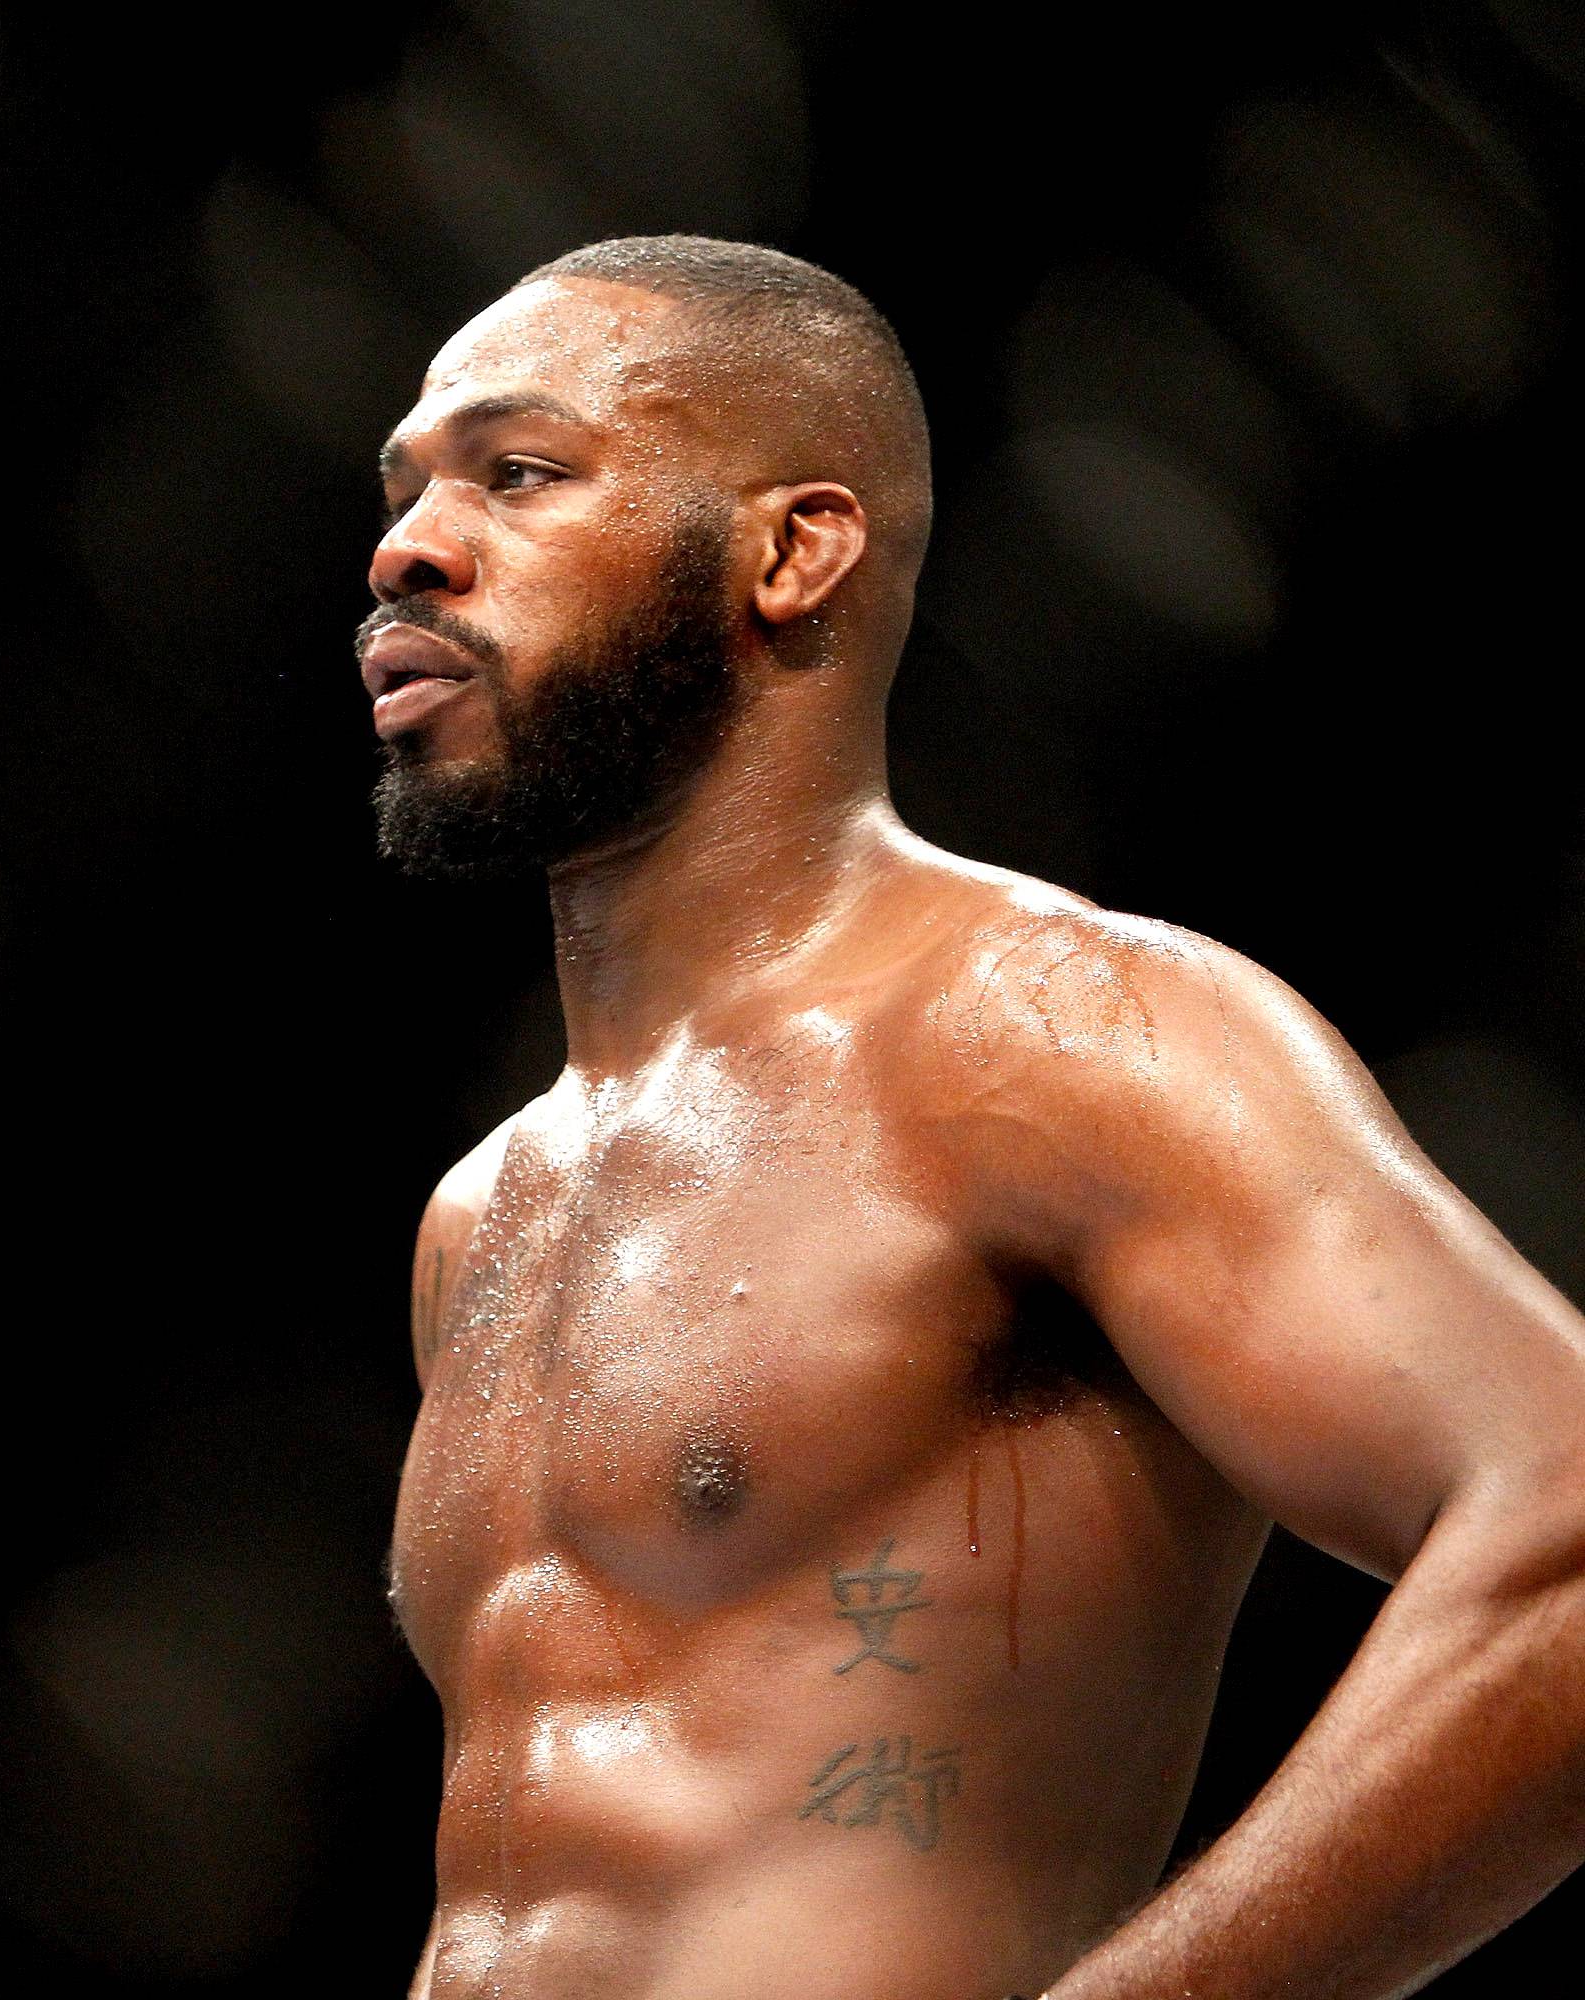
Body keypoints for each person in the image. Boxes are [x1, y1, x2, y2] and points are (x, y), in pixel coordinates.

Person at [368, 235, 1585, 2000]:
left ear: (795, 551)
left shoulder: (1041, 1032)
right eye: (402, 489)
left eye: (521, 470)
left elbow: (1565, 1535)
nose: (407, 548)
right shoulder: (487, 1212)